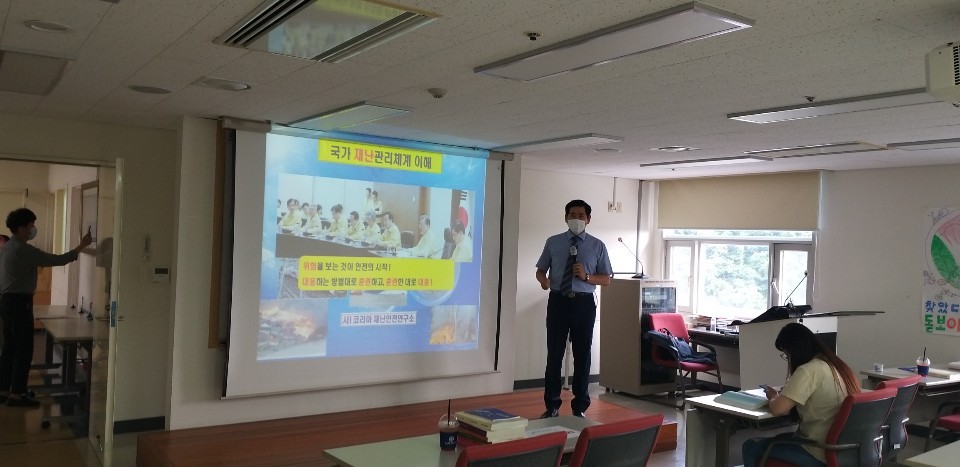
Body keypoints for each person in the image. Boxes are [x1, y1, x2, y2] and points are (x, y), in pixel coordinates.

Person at [0, 208, 92, 407]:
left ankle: (4, 390)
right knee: (24, 349)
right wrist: (81, 246)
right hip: (19, 303)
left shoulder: (7, 247)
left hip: (6, 302)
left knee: (9, 348)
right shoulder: (24, 250)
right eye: (31, 225)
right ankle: (17, 395)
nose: (33, 228)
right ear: (21, 228)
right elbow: (57, 260)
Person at [741, 323, 861, 467]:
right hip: (844, 452)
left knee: (750, 447)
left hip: (817, 451)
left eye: (787, 355)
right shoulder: (836, 365)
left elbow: (778, 409)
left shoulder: (809, 370)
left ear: (795, 351)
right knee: (781, 438)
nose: (788, 360)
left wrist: (773, 397)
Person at [535, 200, 612, 419]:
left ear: (588, 219)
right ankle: (552, 405)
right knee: (555, 354)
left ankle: (580, 407)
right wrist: (544, 281)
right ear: (565, 217)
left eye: (580, 215)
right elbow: (540, 270)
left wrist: (586, 277)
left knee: (582, 355)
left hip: (584, 303)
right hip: (558, 301)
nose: (576, 219)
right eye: (572, 215)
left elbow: (606, 279)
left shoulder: (597, 246)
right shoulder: (553, 242)